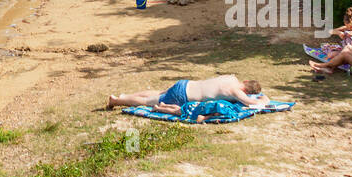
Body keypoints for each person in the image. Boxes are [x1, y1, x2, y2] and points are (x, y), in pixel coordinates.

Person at [107, 74, 269, 113]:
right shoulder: (236, 91)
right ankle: (116, 101)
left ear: (246, 82)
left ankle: (125, 95)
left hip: (186, 83)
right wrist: (263, 99)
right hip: (183, 95)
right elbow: (249, 103)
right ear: (246, 90)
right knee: (150, 101)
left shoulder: (232, 78)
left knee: (157, 93)